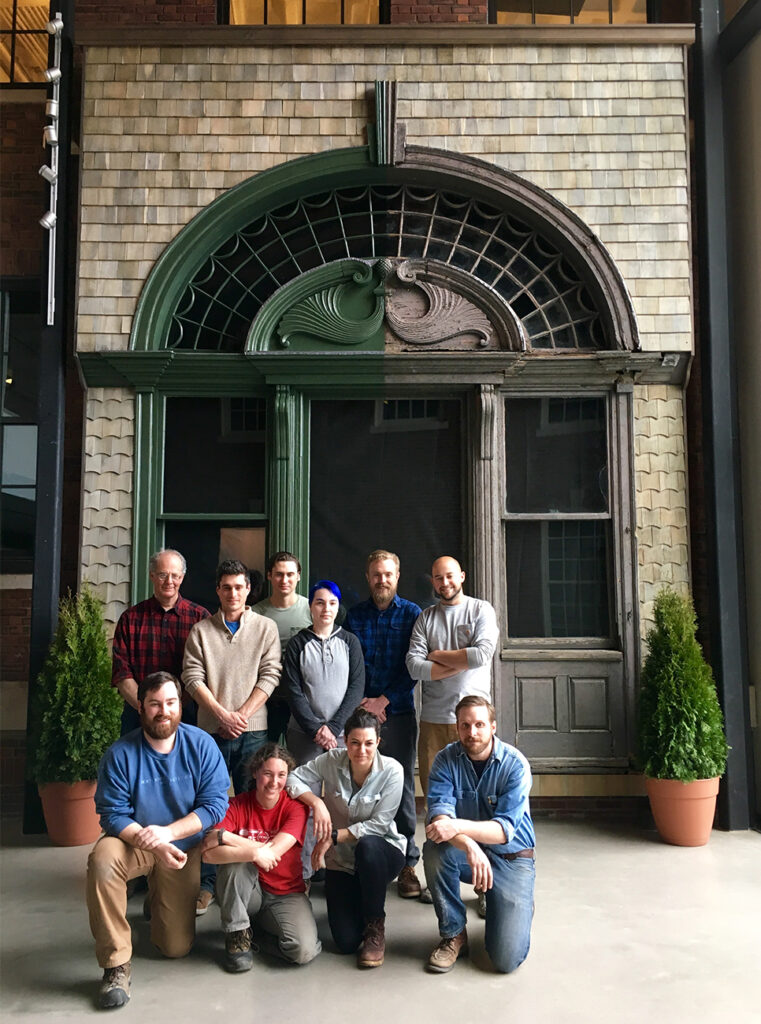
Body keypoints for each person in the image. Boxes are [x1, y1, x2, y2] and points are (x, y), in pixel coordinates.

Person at [87, 671, 229, 1010]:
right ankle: (115, 965)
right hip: (135, 842)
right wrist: (154, 842)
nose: (162, 711)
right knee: (102, 860)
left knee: (175, 948)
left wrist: (169, 835)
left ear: (181, 705)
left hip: (181, 848)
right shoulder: (120, 754)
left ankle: (158, 898)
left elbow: (214, 805)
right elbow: (112, 813)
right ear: (140, 707)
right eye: (154, 704)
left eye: (170, 703)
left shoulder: (201, 745)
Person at [182, 559, 281, 914]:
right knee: (211, 807)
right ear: (218, 591)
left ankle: (253, 878)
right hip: (211, 733)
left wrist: (242, 715)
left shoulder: (265, 627)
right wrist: (222, 715)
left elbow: (270, 675)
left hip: (254, 732)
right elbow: (192, 677)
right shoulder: (201, 631)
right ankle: (206, 884)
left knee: (252, 807)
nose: (233, 593)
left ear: (248, 589)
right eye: (226, 587)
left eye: (239, 587)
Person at [423, 695, 535, 975]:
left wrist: (459, 828)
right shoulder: (445, 760)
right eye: (465, 725)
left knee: (505, 960)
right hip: (468, 854)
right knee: (436, 850)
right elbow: (440, 821)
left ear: (493, 727)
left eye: (479, 724)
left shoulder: (515, 765)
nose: (472, 732)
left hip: (511, 857)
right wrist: (471, 846)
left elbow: (503, 830)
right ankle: (454, 933)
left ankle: (513, 900)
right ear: (457, 727)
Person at [287, 707, 405, 968]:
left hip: (382, 854)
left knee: (369, 847)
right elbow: (293, 778)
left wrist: (332, 836)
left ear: (378, 743)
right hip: (341, 861)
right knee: (345, 942)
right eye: (354, 743)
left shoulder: (392, 771)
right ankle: (361, 901)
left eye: (368, 743)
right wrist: (316, 802)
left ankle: (375, 924)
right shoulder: (330, 760)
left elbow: (378, 825)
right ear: (345, 742)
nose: (361, 750)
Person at [201, 742, 321, 972]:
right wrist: (254, 851)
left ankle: (254, 935)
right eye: (267, 774)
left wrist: (226, 836)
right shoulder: (235, 805)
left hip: (285, 893)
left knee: (302, 950)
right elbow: (208, 853)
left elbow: (273, 853)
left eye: (281, 775)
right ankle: (237, 937)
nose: (274, 782)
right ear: (256, 772)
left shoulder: (295, 808)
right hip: (250, 892)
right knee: (235, 863)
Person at [345, 549, 423, 899]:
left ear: (398, 575)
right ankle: (354, 857)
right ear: (368, 576)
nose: (382, 580)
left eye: (388, 574)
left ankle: (407, 863)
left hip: (398, 713)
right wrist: (364, 703)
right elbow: (349, 664)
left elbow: (414, 667)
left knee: (402, 786)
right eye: (376, 574)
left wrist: (384, 701)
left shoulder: (412, 615)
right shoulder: (355, 617)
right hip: (360, 715)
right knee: (358, 785)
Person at [405, 555, 499, 798]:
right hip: (433, 719)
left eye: (449, 576)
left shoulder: (481, 610)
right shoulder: (425, 618)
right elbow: (414, 667)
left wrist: (436, 655)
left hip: (474, 719)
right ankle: (438, 837)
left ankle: (474, 836)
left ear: (462, 577)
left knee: (476, 793)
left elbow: (481, 655)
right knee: (435, 794)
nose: (444, 582)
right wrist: (460, 662)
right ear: (433, 582)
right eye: (438, 578)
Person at [111, 548, 210, 733]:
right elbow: (121, 673)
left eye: (175, 575)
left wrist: (174, 707)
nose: (169, 581)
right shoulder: (130, 619)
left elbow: (207, 669)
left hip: (187, 713)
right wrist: (146, 707)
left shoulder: (200, 618)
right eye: (163, 575)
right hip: (138, 714)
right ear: (152, 576)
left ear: (182, 577)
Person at [283, 580, 364, 767]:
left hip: (343, 734)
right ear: (310, 606)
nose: (326, 608)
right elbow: (293, 690)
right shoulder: (297, 643)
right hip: (304, 734)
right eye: (320, 602)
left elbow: (356, 687)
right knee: (304, 792)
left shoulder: (351, 642)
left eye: (332, 602)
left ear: (338, 607)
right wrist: (316, 730)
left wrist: (334, 728)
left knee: (342, 792)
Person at [252, 551, 311, 743]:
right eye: (279, 574)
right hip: (267, 699)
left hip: (302, 699)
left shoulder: (312, 609)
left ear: (298, 576)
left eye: (290, 574)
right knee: (265, 758)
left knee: (300, 759)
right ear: (269, 575)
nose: (284, 580)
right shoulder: (255, 613)